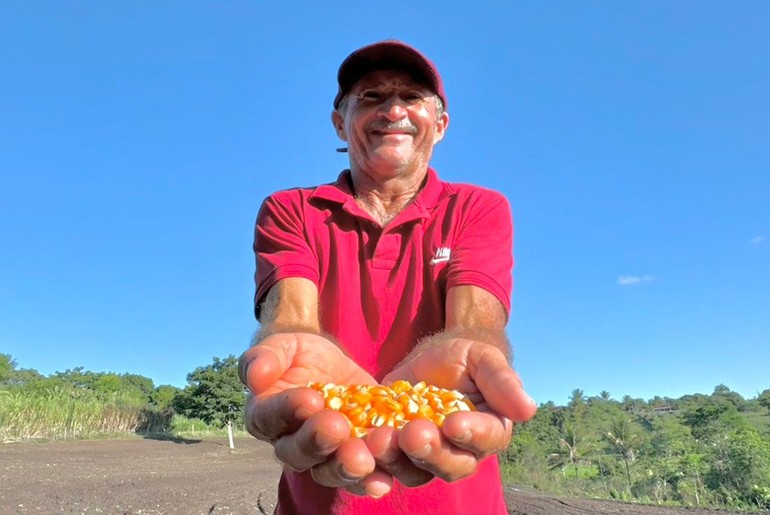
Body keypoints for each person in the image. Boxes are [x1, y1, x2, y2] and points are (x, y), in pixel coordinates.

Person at [239, 39, 538, 515]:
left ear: (439, 125)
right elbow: (290, 315)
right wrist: (289, 348)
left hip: (458, 501)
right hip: (322, 494)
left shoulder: (479, 208)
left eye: (412, 97)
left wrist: (473, 355)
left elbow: (476, 322)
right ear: (340, 120)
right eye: (371, 97)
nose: (393, 108)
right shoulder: (291, 209)